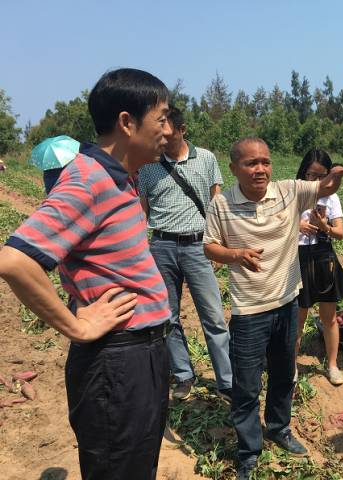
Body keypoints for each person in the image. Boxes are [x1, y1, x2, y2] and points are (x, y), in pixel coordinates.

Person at [0, 68, 173, 479]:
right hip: (117, 362)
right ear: (127, 123)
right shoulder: (87, 180)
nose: (169, 129)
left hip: (142, 354)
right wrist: (75, 326)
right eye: (162, 118)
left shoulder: (123, 179)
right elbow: (14, 261)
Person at [202, 137, 343, 480]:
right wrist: (235, 254)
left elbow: (324, 185)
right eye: (251, 163)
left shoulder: (289, 190)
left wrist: (336, 176)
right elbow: (210, 246)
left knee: (283, 373)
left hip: (287, 302)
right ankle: (248, 450)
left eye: (265, 162)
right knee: (245, 385)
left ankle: (278, 427)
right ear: (233, 169)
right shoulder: (222, 204)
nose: (260, 169)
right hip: (248, 310)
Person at [138, 105, 232, 401]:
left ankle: (227, 381)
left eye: (167, 133)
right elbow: (143, 210)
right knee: (168, 316)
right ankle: (183, 375)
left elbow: (217, 204)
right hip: (161, 246)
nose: (162, 139)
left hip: (198, 245)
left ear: (182, 130)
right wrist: (141, 249)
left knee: (213, 316)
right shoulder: (148, 166)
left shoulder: (206, 158)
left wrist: (220, 246)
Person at [294, 148, 343, 386]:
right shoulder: (294, 192)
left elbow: (340, 233)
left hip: (324, 258)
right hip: (298, 257)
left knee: (329, 317)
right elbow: (279, 221)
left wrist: (323, 226)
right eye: (311, 175)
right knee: (297, 317)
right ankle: (291, 365)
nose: (316, 181)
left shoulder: (332, 198)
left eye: (321, 176)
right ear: (303, 173)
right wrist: (299, 225)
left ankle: (332, 365)